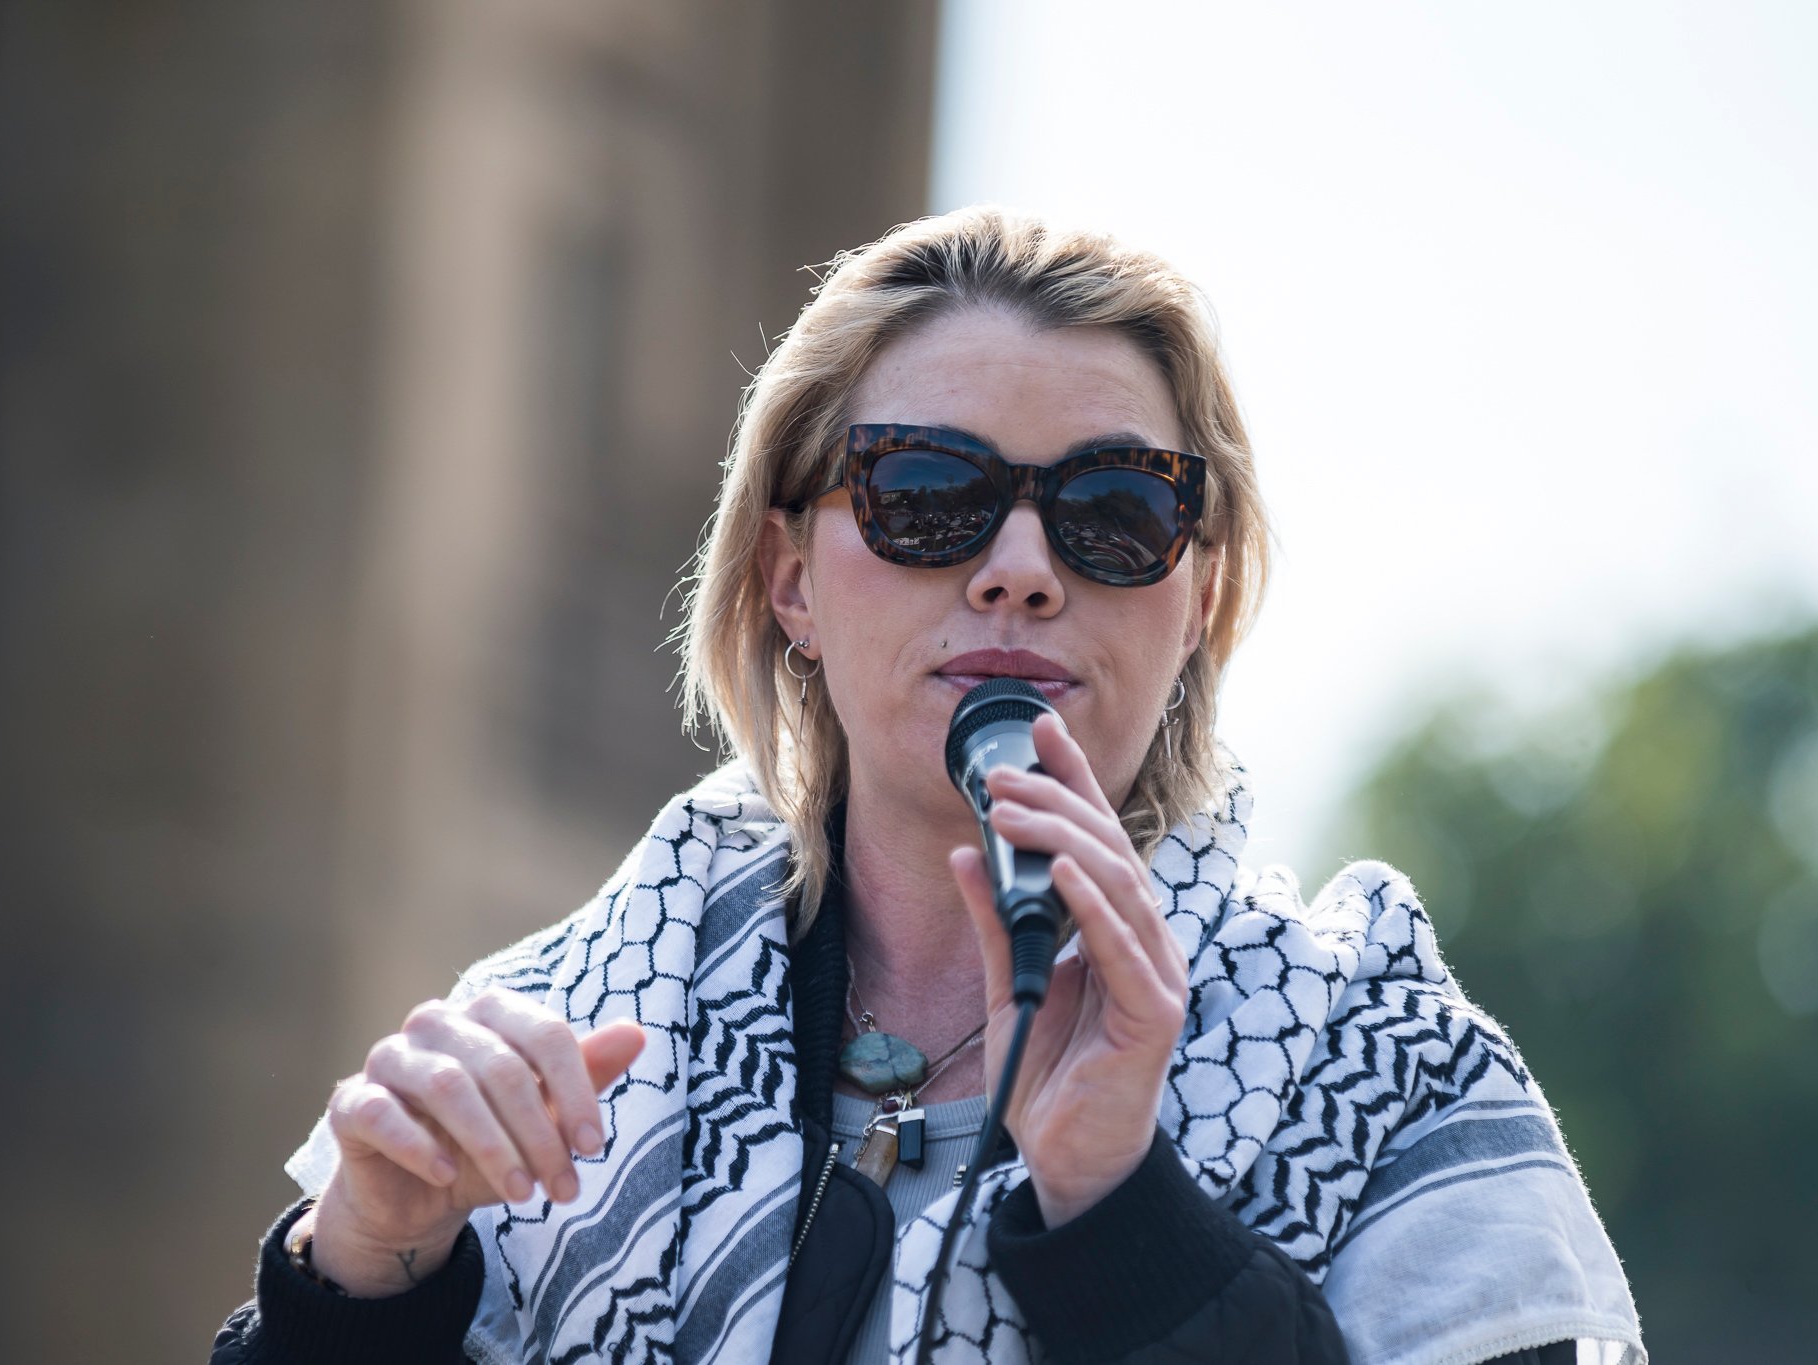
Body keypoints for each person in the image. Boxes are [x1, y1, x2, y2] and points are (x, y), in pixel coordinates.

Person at [211, 207, 1645, 1364]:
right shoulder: (548, 1050)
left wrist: (1123, 1214)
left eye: (1116, 510)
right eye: (927, 496)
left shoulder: (1387, 1077)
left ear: (1199, 598)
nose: (1020, 568)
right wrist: (367, 1273)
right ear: (790, 580)